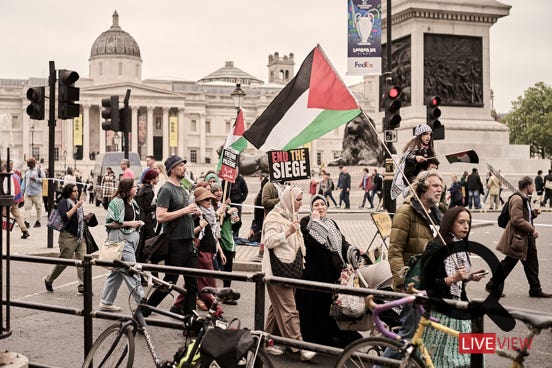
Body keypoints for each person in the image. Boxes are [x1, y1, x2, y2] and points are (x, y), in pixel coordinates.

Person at [384, 169, 443, 362]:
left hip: (430, 283)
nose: (439, 189)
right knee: (408, 335)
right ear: (422, 188)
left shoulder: (437, 213)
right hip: (413, 284)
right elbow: (394, 250)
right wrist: (402, 282)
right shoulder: (406, 212)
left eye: (441, 186)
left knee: (423, 336)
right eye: (435, 185)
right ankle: (380, 366)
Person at [419, 206, 486, 368]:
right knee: (444, 361)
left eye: (468, 222)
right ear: (449, 224)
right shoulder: (436, 246)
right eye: (461, 222)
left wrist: (469, 277)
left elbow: (458, 283)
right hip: (441, 312)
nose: (466, 226)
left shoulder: (461, 247)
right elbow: (427, 283)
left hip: (461, 308)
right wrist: (452, 278)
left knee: (473, 358)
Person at [296, 194, 362, 348]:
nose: (320, 207)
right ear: (311, 208)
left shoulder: (331, 223)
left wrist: (352, 250)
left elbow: (342, 241)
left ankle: (326, 336)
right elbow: (313, 243)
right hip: (313, 273)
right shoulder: (306, 222)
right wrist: (316, 222)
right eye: (316, 205)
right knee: (312, 307)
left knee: (325, 306)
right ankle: (311, 339)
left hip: (329, 273)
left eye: (322, 204)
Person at [262, 186, 316, 361]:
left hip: (290, 269)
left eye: (301, 199)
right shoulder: (273, 217)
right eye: (298, 200)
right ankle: (299, 347)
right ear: (288, 199)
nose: (301, 203)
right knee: (289, 309)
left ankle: (265, 341)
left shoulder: (291, 215)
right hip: (278, 271)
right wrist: (287, 232)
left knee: (276, 308)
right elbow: (269, 241)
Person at [145, 155, 200, 316]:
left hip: (189, 241)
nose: (184, 168)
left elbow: (184, 215)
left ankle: (191, 321)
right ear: (172, 169)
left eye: (184, 165)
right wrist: (185, 210)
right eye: (181, 165)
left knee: (192, 285)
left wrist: (194, 214)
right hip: (175, 243)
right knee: (170, 282)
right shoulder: (166, 189)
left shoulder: (182, 188)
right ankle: (145, 310)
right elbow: (161, 216)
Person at [485, 176, 552, 298]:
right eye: (532, 186)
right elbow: (517, 219)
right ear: (527, 187)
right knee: (508, 264)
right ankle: (492, 285)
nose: (534, 188)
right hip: (520, 238)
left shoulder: (524, 198)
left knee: (531, 264)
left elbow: (523, 217)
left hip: (525, 237)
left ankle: (535, 289)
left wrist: (533, 214)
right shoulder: (517, 199)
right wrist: (532, 230)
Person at [172, 187, 226, 315]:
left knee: (194, 283)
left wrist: (220, 251)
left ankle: (177, 305)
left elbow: (214, 235)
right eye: (205, 199)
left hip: (210, 250)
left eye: (210, 198)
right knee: (208, 283)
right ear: (198, 200)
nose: (209, 201)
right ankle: (216, 311)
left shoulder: (211, 212)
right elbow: (189, 233)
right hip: (200, 251)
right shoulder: (195, 214)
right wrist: (200, 226)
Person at [98, 178, 145, 311]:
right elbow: (110, 223)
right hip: (121, 241)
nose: (137, 188)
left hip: (129, 240)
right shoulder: (116, 202)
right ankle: (142, 302)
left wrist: (137, 224)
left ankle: (106, 302)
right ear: (127, 189)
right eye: (135, 186)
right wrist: (131, 224)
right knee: (131, 270)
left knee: (117, 272)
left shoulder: (132, 202)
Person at [43, 184, 86, 294]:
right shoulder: (64, 202)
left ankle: (82, 286)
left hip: (80, 236)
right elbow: (65, 216)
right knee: (63, 262)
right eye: (74, 191)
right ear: (68, 192)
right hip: (68, 237)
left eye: (77, 191)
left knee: (83, 261)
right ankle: (49, 279)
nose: (77, 193)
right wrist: (76, 207)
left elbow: (79, 218)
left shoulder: (77, 202)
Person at [211, 182, 239, 291]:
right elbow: (215, 221)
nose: (219, 193)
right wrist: (226, 213)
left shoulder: (226, 206)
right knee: (214, 269)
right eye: (216, 191)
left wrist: (236, 219)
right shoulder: (210, 206)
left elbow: (235, 226)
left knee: (228, 268)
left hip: (227, 241)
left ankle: (227, 291)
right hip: (216, 241)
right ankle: (210, 293)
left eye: (220, 190)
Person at [135, 169, 159, 263]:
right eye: (157, 178)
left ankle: (140, 259)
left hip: (141, 216)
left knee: (142, 240)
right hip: (145, 218)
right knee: (153, 238)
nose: (158, 179)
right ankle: (150, 259)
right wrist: (156, 205)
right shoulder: (149, 191)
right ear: (152, 179)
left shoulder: (144, 187)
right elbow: (146, 208)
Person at [2, 164, 30, 239]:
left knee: (3, 215)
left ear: (5, 169)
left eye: (3, 169)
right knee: (17, 215)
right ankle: (24, 231)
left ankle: (6, 229)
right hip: (15, 198)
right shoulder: (16, 176)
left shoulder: (9, 177)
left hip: (10, 199)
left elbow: (10, 189)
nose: (2, 171)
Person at [225, 174, 248, 238]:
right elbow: (223, 190)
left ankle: (235, 237)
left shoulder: (240, 179)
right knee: (227, 222)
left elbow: (245, 191)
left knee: (236, 221)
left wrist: (241, 200)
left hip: (237, 205)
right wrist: (226, 198)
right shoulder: (226, 179)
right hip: (228, 204)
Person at [23, 157, 44, 228]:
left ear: (33, 163)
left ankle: (38, 221)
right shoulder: (27, 171)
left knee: (38, 207)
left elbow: (44, 180)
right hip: (28, 192)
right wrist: (22, 190)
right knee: (27, 207)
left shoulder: (39, 170)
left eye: (28, 163)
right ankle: (26, 222)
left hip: (37, 192)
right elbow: (24, 181)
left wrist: (35, 179)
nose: (27, 164)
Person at [248, 175, 269, 243]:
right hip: (260, 223)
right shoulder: (260, 198)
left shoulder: (261, 196)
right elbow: (256, 216)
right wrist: (253, 228)